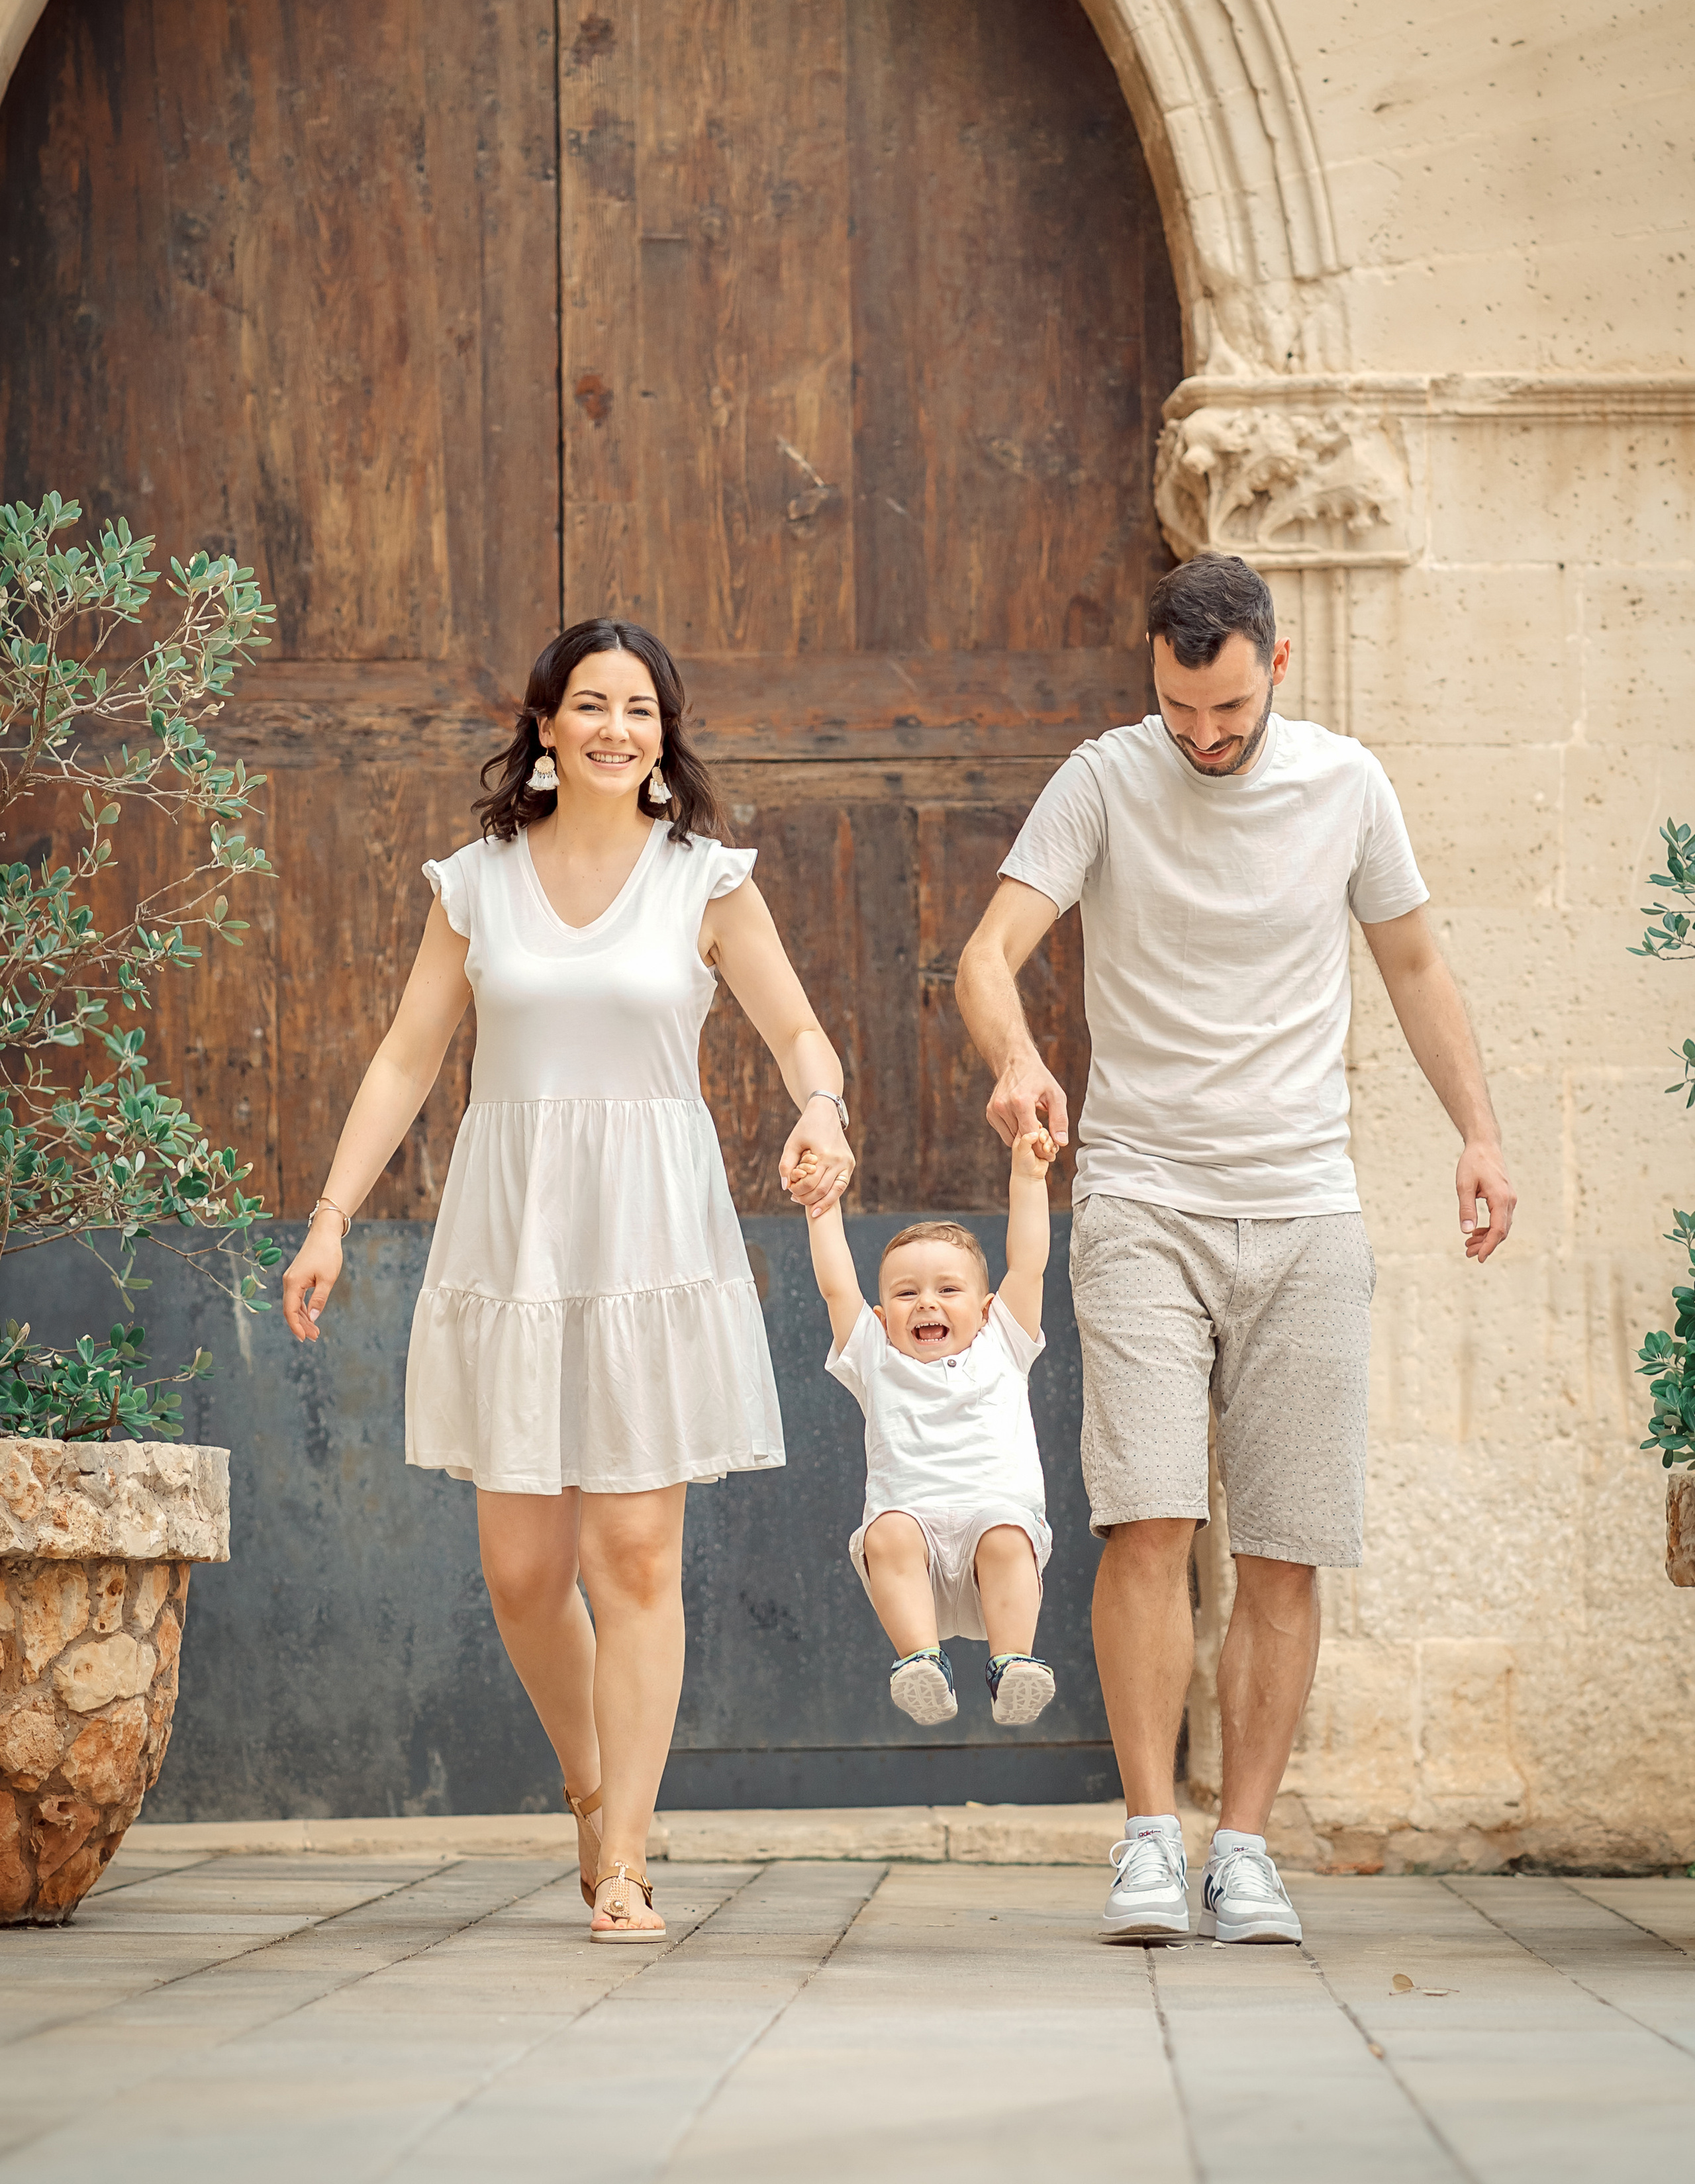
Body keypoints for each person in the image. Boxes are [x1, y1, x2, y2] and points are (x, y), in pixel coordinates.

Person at [955, 553, 1516, 1946]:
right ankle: (1150, 1839)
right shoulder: (1103, 779)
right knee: (1145, 1519)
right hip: (1142, 1197)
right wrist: (1021, 1062)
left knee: (1283, 1547)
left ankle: (1246, 1848)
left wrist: (1478, 1135)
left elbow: (1413, 966)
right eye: (1175, 707)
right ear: (1149, 676)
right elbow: (986, 956)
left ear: (1275, 663)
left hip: (1305, 1210)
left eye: (1222, 708)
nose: (1200, 736)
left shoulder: (1346, 787)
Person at [282, 618, 853, 1944]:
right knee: (524, 1569)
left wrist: (818, 1106)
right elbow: (406, 1061)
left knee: (633, 1550)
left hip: (653, 1230)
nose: (614, 728)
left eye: (639, 709)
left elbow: (795, 1029)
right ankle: (591, 1791)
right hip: (517, 1229)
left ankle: (629, 1862)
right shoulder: (477, 882)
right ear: (544, 725)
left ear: (666, 731)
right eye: (588, 705)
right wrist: (329, 1216)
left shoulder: (704, 879)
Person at [795, 1129, 1059, 1729]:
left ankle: (1011, 1663)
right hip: (913, 1563)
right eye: (907, 1293)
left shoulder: (1004, 1345)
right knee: (886, 1528)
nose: (926, 1304)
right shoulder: (876, 1356)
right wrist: (822, 1208)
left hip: (993, 1553)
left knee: (1006, 1532)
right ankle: (922, 1663)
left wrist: (1028, 1177)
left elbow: (1030, 1263)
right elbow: (838, 1286)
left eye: (947, 1289)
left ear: (987, 1308)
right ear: (883, 1316)